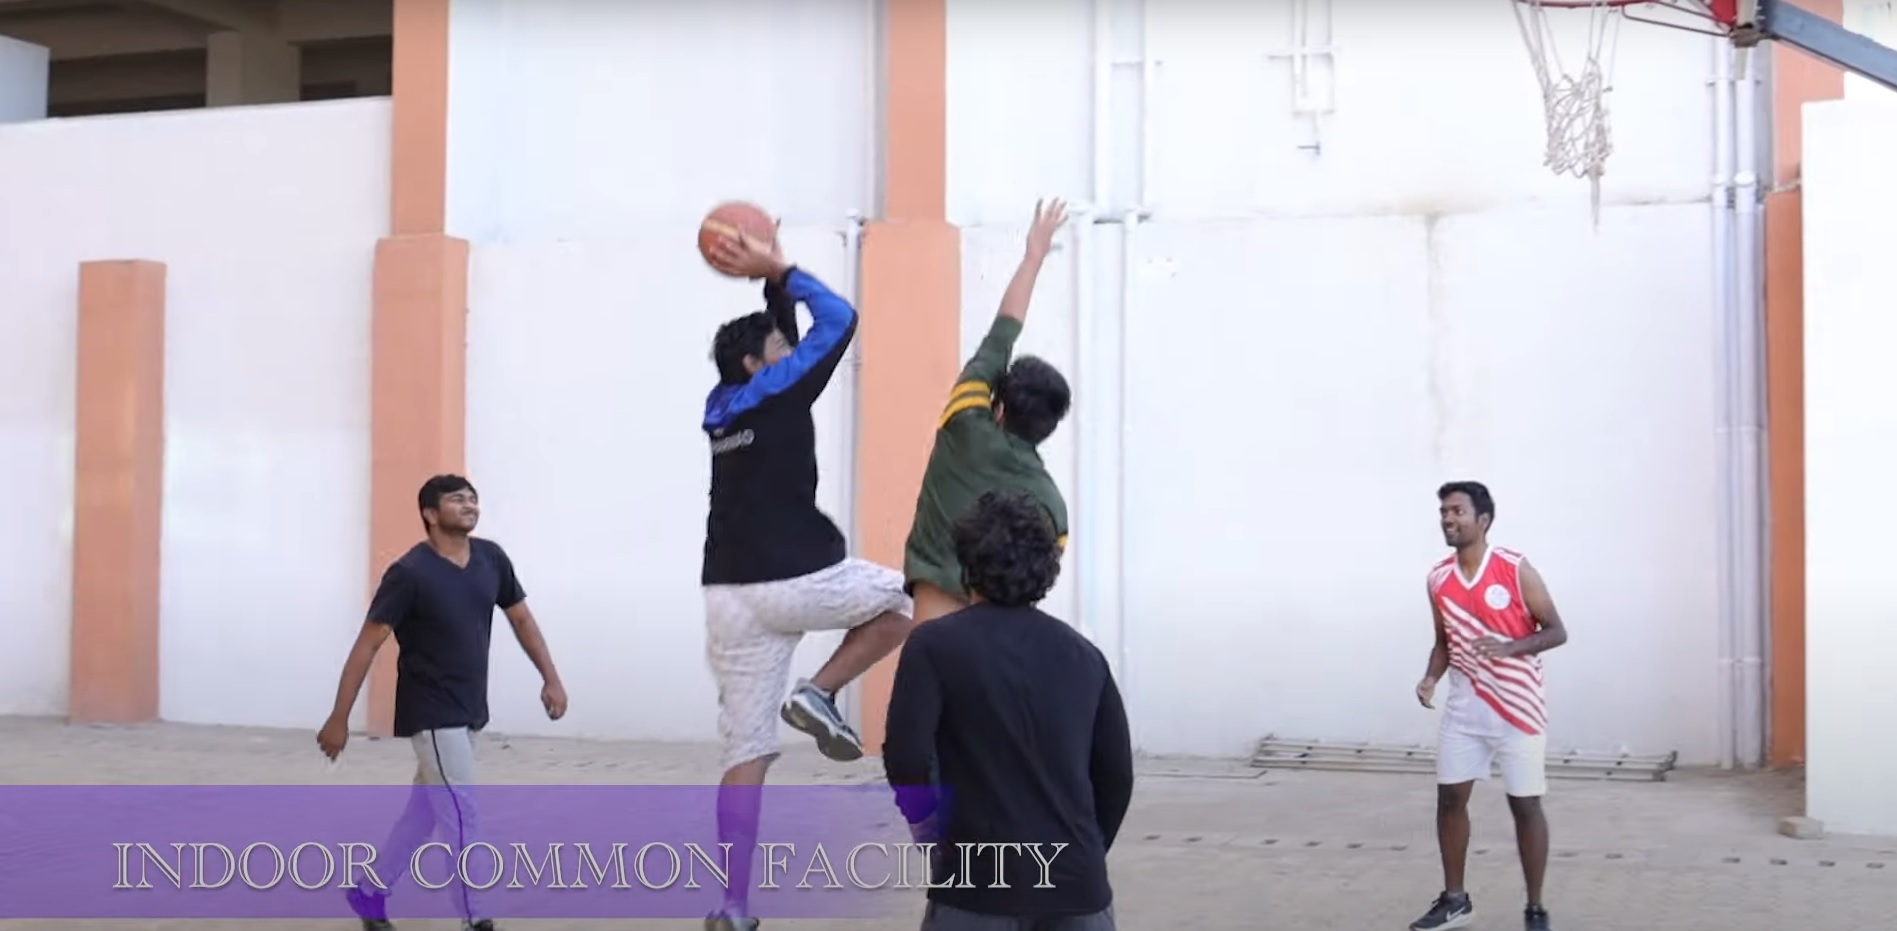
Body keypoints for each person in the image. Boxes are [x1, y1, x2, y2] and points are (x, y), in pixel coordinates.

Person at [699, 231, 915, 931]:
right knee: (910, 596)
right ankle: (819, 691)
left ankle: (732, 905)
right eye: (778, 346)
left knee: (745, 753)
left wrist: (772, 290)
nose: (790, 353)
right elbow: (840, 319)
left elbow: (788, 344)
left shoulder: (724, 403)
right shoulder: (781, 389)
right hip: (795, 576)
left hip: (728, 593)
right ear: (755, 361)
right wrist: (782, 268)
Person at [316, 474, 568, 931]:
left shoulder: (491, 559)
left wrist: (550, 677)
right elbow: (367, 644)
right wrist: (339, 717)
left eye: (473, 498)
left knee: (425, 812)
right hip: (431, 713)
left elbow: (522, 619)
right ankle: (476, 917)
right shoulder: (410, 574)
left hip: (470, 709)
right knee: (461, 810)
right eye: (457, 499)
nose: (470, 504)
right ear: (430, 514)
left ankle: (369, 891)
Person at [884, 490, 1134, 931]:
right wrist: (1085, 854)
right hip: (1077, 889)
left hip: (977, 886)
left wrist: (931, 837)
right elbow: (1115, 775)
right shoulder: (1084, 657)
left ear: (966, 564)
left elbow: (907, 759)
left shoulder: (934, 646)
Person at [904, 199, 1073, 626]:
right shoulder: (1053, 508)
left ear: (997, 407)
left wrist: (1033, 257)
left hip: (934, 611)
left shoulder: (965, 421)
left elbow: (1001, 335)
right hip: (1004, 635)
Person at [1411, 481, 1570, 931]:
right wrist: (1430, 678)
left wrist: (1510, 647)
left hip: (1518, 710)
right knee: (1449, 800)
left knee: (1525, 806)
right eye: (1444, 512)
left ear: (1483, 520)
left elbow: (1556, 631)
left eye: (1457, 511)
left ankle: (1535, 908)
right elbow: (1444, 642)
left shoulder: (1515, 569)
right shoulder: (1438, 579)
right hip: (1465, 712)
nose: (1448, 519)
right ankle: (1455, 901)